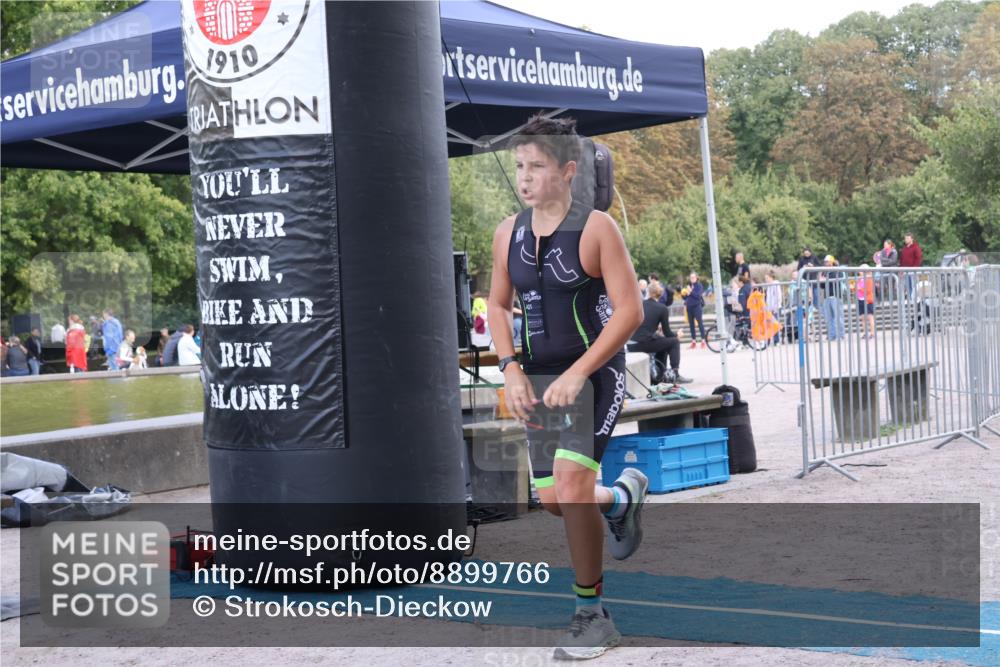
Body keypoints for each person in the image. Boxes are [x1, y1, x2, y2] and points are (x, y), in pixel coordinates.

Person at [486, 113, 647, 660]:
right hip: (538, 380)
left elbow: (630, 312)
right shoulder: (507, 232)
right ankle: (621, 498)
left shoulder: (597, 227)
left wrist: (580, 370)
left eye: (536, 166)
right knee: (555, 499)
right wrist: (508, 366)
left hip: (592, 374)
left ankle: (591, 614)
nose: (525, 177)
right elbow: (497, 304)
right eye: (519, 166)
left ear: (568, 169)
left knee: (572, 489)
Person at [628, 282, 692, 384]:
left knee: (663, 343)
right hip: (643, 343)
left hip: (631, 344)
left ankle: (660, 375)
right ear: (660, 294)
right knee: (674, 342)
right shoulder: (662, 308)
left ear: (648, 292)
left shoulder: (639, 304)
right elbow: (667, 333)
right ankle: (675, 374)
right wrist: (677, 335)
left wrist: (655, 330)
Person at [818, 256, 845, 341]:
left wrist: (826, 279)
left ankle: (840, 335)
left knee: (838, 316)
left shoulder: (837, 270)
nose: (826, 263)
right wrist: (821, 280)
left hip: (836, 295)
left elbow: (838, 279)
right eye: (825, 262)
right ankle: (832, 335)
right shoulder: (824, 272)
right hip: (827, 296)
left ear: (832, 262)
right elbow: (822, 286)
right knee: (829, 317)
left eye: (828, 262)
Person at [682, 272, 707, 349]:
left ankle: (703, 341)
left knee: (700, 323)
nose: (692, 279)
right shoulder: (689, 286)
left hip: (697, 306)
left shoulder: (699, 285)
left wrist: (690, 291)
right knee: (691, 325)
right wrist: (684, 295)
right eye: (691, 277)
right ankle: (693, 341)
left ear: (696, 278)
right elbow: (686, 297)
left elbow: (698, 296)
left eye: (693, 277)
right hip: (689, 307)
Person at [899, 232, 923, 299]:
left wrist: (914, 268)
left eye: (907, 238)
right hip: (905, 270)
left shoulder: (916, 247)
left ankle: (915, 300)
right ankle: (910, 300)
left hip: (913, 271)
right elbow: (901, 259)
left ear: (912, 239)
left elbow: (918, 258)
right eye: (905, 238)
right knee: (908, 286)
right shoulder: (904, 248)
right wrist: (901, 269)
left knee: (914, 286)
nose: (906, 239)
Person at [856, 265, 876, 339]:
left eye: (860, 270)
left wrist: (860, 289)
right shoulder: (860, 279)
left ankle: (872, 333)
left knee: (870, 317)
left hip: (867, 300)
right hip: (860, 299)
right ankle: (865, 333)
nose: (859, 272)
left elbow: (868, 290)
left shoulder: (868, 279)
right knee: (863, 318)